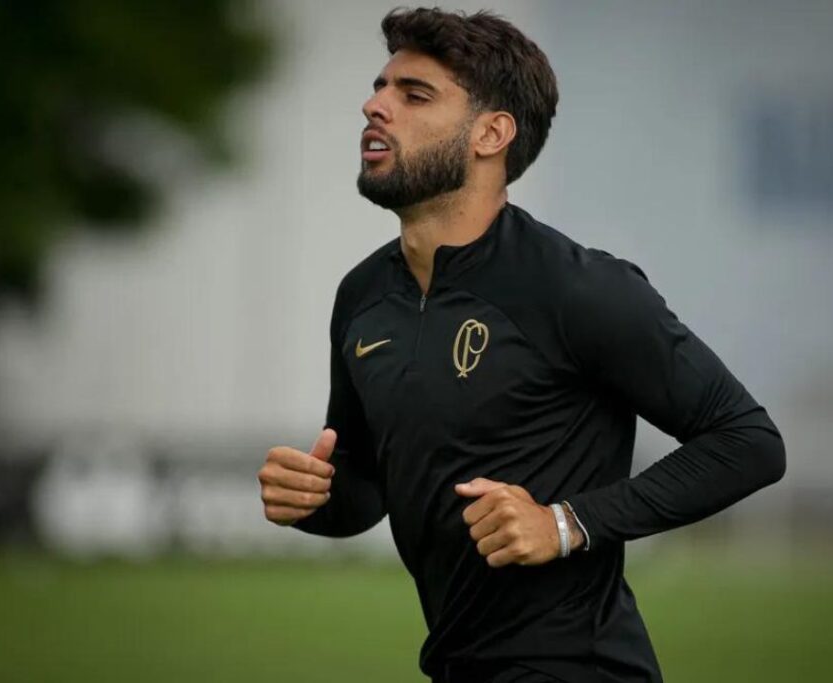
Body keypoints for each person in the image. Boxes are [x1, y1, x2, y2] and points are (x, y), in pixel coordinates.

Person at [258, 8, 785, 683]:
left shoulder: (578, 288)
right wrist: (315, 499)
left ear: (492, 133)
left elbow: (748, 441)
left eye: (413, 94)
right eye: (380, 87)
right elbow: (366, 489)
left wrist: (565, 523)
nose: (374, 105)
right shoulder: (362, 297)